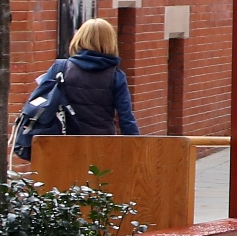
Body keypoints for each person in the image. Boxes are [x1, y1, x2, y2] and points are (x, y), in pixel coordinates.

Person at [13, 17, 141, 159]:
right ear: (111, 42)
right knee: (98, 180)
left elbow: (40, 101)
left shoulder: (60, 68)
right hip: (102, 147)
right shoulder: (116, 76)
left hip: (62, 145)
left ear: (79, 38)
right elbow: (126, 118)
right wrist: (136, 150)